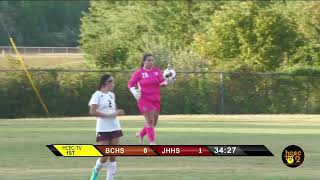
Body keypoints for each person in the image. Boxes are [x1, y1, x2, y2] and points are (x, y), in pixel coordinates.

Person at [128, 53, 170, 145]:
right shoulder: (139, 73)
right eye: (149, 60)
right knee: (150, 121)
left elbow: (162, 83)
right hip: (144, 100)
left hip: (155, 99)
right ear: (144, 61)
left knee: (154, 123)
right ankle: (152, 143)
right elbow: (130, 84)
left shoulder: (156, 71)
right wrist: (133, 91)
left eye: (152, 60)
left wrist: (167, 81)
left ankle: (141, 134)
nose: (151, 62)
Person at [89, 74, 125, 180]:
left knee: (113, 155)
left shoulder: (112, 95)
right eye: (111, 81)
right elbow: (92, 111)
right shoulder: (97, 95)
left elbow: (113, 111)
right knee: (104, 156)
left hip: (115, 127)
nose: (113, 83)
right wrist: (108, 115)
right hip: (103, 129)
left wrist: (117, 112)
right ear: (105, 83)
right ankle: (96, 170)